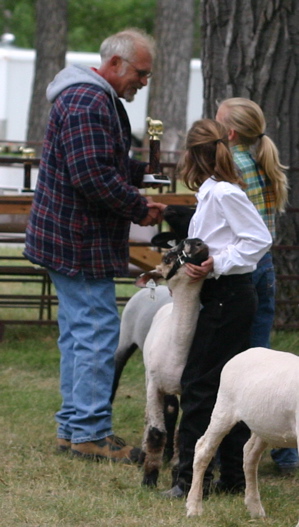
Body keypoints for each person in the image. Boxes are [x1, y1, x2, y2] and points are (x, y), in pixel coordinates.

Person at [24, 28, 165, 462]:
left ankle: (74, 428)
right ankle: (88, 433)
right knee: (97, 335)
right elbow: (91, 176)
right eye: (140, 73)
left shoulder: (89, 97)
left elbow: (98, 159)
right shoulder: (89, 100)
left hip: (69, 238)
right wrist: (140, 208)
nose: (143, 82)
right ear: (116, 64)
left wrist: (138, 170)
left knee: (78, 334)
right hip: (78, 241)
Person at [163, 118, 272, 498]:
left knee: (200, 383)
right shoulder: (211, 193)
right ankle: (232, 476)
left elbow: (259, 238)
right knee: (225, 385)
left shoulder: (226, 194)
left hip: (229, 295)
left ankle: (189, 480)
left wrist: (218, 263)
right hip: (220, 296)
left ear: (193, 155)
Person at [216, 97, 299, 474]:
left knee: (237, 359)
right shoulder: (264, 163)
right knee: (262, 355)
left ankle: (230, 448)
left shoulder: (231, 164)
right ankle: (286, 449)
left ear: (230, 132)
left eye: (217, 123)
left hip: (243, 268)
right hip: (264, 268)